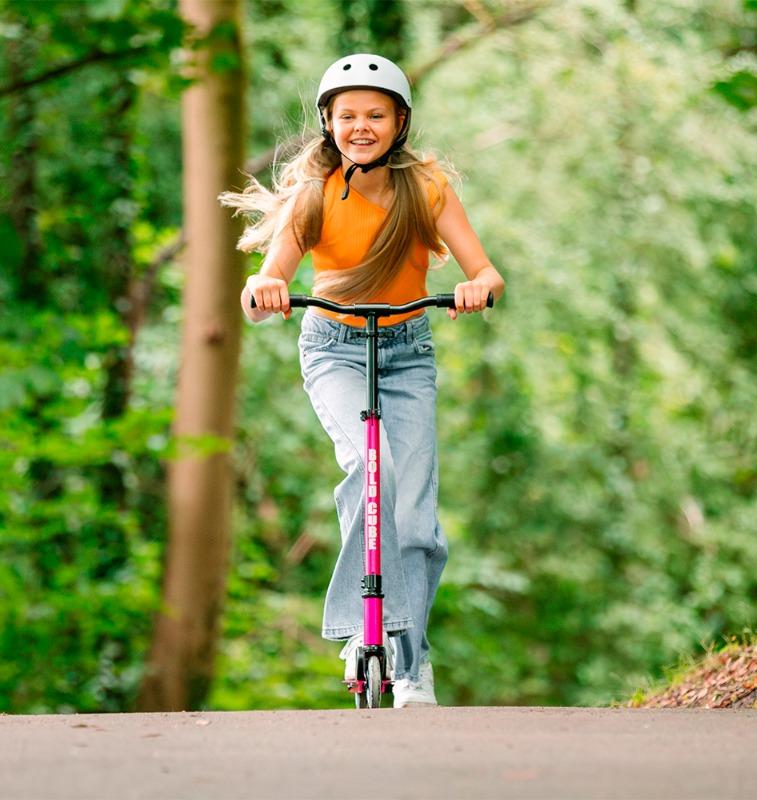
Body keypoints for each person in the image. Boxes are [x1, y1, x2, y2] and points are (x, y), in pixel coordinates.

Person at [221, 53, 504, 707]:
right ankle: (361, 625)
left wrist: (477, 288)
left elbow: (487, 273)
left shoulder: (426, 190)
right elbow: (268, 280)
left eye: (376, 114)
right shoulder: (313, 195)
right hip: (335, 349)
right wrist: (263, 289)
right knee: (373, 468)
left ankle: (411, 664)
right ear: (328, 122)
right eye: (347, 115)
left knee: (415, 518)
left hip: (407, 350)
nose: (361, 126)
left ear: (400, 122)